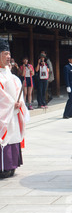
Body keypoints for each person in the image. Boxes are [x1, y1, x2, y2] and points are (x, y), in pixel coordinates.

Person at [0, 39, 28, 179]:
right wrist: (11, 104)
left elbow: (17, 90)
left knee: (13, 136)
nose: (8, 57)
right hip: (4, 113)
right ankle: (3, 167)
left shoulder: (9, 74)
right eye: (5, 54)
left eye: (9, 54)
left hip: (13, 113)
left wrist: (19, 103)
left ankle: (11, 166)